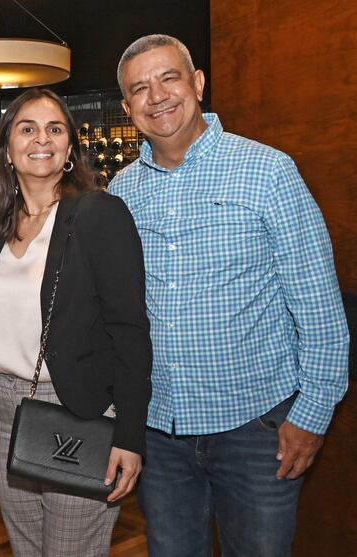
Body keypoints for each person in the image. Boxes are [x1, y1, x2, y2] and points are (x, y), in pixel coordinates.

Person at [110, 34, 350, 557]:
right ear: (128, 109)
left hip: (257, 430)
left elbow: (320, 310)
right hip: (160, 433)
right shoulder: (121, 191)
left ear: (197, 84)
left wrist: (311, 416)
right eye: (140, 89)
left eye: (169, 78)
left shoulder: (268, 171)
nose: (157, 96)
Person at [0, 88, 152, 556]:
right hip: (2, 406)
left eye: (55, 129)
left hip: (77, 409)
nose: (41, 139)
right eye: (27, 128)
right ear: (7, 148)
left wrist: (129, 436)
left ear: (70, 147)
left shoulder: (98, 214)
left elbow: (129, 331)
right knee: (26, 547)